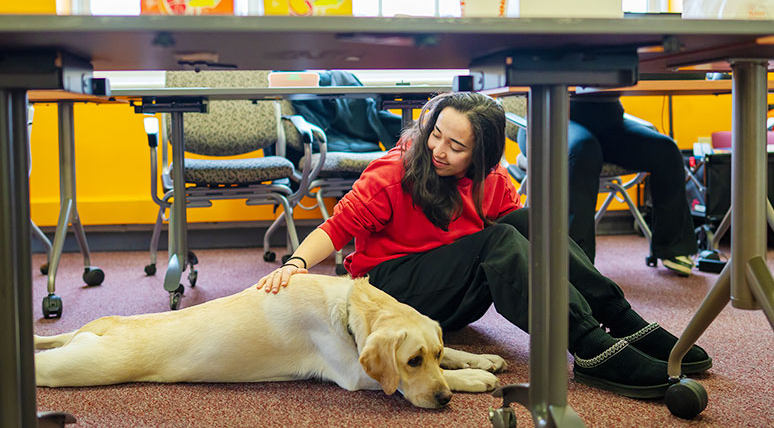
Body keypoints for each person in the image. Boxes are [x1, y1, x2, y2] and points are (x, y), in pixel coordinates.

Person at [257, 92, 711, 399]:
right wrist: (295, 262)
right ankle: (588, 345)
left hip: (449, 298)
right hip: (392, 293)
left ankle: (621, 319)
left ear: (482, 155)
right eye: (436, 134)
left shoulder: (488, 179)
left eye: (456, 146)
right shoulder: (393, 173)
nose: (438, 149)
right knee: (496, 241)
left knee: (528, 220)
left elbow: (529, 239)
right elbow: (337, 228)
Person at [517, 96, 697, 276]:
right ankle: (577, 261)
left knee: (666, 150)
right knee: (584, 150)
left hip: (609, 125)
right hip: (549, 119)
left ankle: (673, 246)